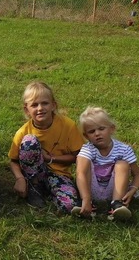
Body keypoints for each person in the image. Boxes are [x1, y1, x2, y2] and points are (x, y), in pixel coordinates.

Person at [8, 81, 84, 213]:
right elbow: (13, 161)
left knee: (69, 206)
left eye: (45, 103)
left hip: (59, 174)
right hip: (33, 175)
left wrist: (51, 159)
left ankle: (54, 192)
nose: (40, 108)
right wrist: (19, 179)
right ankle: (34, 187)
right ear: (26, 109)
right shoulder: (23, 132)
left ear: (53, 105)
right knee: (29, 141)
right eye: (34, 105)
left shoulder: (68, 125)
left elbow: (78, 156)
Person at [72, 106, 139, 220]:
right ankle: (87, 203)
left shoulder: (123, 149)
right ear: (86, 136)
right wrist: (85, 198)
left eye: (101, 128)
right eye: (92, 131)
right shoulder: (88, 149)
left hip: (115, 189)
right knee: (83, 162)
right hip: (92, 189)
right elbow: (80, 173)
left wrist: (132, 190)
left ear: (112, 129)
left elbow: (138, 175)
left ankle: (116, 204)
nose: (97, 133)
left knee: (122, 164)